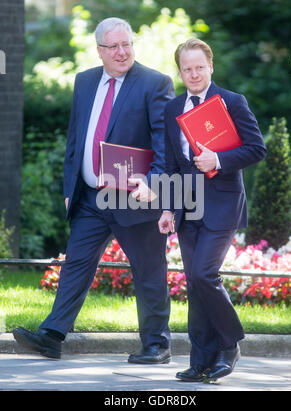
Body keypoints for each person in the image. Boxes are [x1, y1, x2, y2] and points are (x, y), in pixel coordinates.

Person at [13, 17, 175, 364]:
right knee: (76, 264)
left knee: (148, 269)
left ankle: (157, 345)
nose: (121, 52)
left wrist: (154, 182)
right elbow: (76, 137)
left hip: (135, 195)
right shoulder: (85, 81)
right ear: (99, 50)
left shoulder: (155, 83)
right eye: (113, 46)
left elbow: (165, 141)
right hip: (89, 196)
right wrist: (70, 186)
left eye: (126, 44)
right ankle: (52, 336)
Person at [158, 38, 267, 381]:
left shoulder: (232, 102)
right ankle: (201, 359)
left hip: (222, 204)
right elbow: (172, 164)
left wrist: (218, 159)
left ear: (211, 67)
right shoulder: (172, 108)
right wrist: (167, 208)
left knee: (205, 274)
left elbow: (256, 149)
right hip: (187, 207)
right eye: (187, 69)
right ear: (180, 71)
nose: (193, 74)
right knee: (194, 282)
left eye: (199, 67)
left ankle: (230, 343)